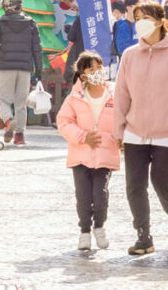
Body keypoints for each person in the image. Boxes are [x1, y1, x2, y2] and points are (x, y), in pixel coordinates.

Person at [113, 1, 168, 256]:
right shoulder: (129, 55)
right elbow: (121, 95)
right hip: (134, 132)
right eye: (137, 18)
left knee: (163, 182)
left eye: (146, 18)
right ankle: (143, 236)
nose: (141, 23)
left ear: (160, 21)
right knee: (134, 186)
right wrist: (118, 130)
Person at [57, 51, 119, 251]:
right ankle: (84, 232)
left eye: (99, 67)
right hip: (80, 156)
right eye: (91, 69)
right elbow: (63, 122)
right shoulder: (74, 98)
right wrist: (83, 137)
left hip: (105, 155)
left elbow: (125, 118)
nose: (97, 71)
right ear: (83, 75)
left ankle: (99, 227)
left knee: (100, 197)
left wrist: (122, 138)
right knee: (83, 198)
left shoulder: (115, 93)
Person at [0, 0, 43, 145]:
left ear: (7, 7)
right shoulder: (31, 23)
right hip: (25, 68)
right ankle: (19, 136)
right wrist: (39, 71)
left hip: (6, 67)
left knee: (1, 100)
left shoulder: (1, 23)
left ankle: (8, 120)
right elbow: (37, 49)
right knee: (21, 102)